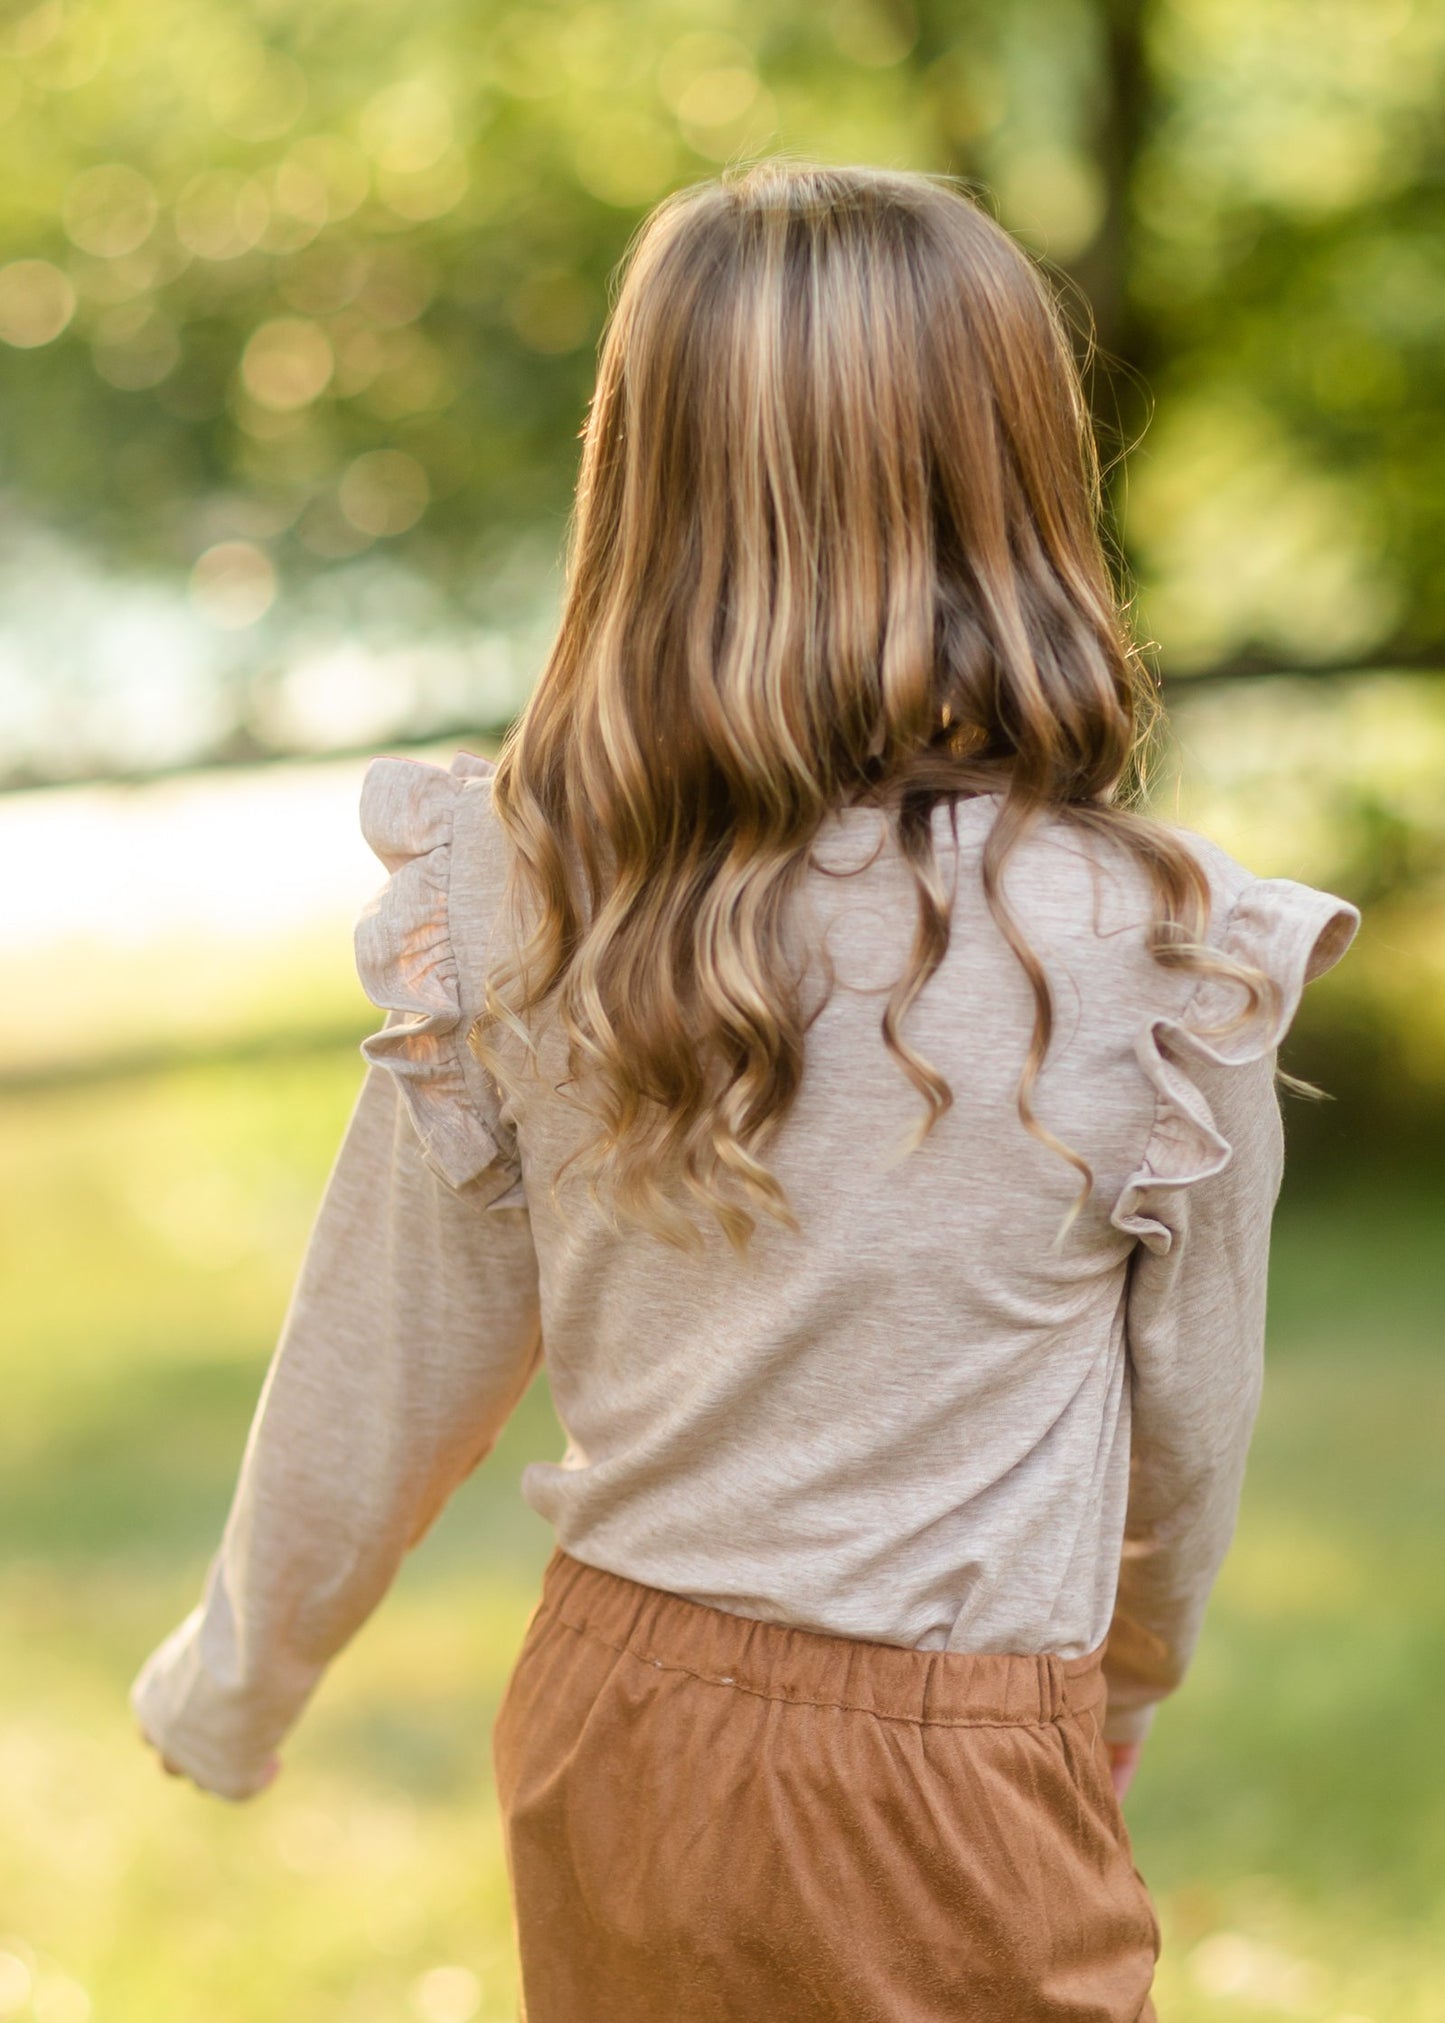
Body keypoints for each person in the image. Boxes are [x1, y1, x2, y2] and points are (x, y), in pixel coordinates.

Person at [131, 161, 1361, 2022]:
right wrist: (1114, 1700)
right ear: (1020, 482)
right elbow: (1186, 1437)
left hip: (615, 1724)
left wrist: (235, 1684)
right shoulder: (1162, 951)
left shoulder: (528, 898)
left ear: (644, 490)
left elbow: (381, 1353)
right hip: (952, 1778)